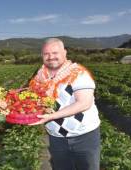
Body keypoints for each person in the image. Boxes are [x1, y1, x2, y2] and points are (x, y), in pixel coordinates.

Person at [29, 38, 100, 170]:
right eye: (46, 54)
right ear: (42, 56)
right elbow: (32, 98)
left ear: (64, 53)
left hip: (84, 135)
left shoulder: (78, 73)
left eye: (55, 53)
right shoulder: (39, 76)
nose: (51, 57)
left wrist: (52, 116)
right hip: (56, 137)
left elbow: (84, 103)